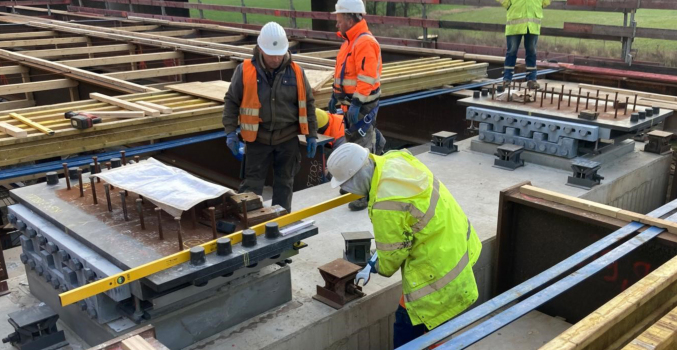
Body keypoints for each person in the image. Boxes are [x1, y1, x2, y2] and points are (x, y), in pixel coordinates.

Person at [327, 143, 482, 347]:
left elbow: (390, 262)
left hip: (438, 270)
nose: (345, 190)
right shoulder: (395, 159)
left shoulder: (385, 203)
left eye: (345, 184)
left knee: (407, 329)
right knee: (437, 328)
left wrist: (375, 265)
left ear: (357, 175)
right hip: (457, 246)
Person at [222, 22, 318, 213]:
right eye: (270, 54)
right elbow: (232, 101)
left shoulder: (297, 72)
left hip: (287, 140)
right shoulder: (245, 70)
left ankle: (280, 226)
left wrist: (312, 134)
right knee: (251, 188)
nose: (275, 59)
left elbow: (308, 103)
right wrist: (230, 131)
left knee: (284, 185)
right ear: (260, 49)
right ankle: (249, 226)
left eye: (279, 54)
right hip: (258, 139)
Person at [330, 0, 386, 211]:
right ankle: (377, 143)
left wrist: (356, 102)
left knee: (360, 147)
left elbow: (367, 77)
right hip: (351, 104)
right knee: (355, 140)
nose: (337, 24)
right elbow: (344, 73)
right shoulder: (349, 43)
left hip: (362, 105)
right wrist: (335, 95)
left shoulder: (364, 43)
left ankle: (362, 193)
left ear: (350, 18)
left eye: (339, 19)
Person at [499, 0, 551, 89]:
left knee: (532, 51)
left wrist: (541, 3)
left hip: (532, 23)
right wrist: (507, 3)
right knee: (512, 51)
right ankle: (507, 79)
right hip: (514, 23)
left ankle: (532, 79)